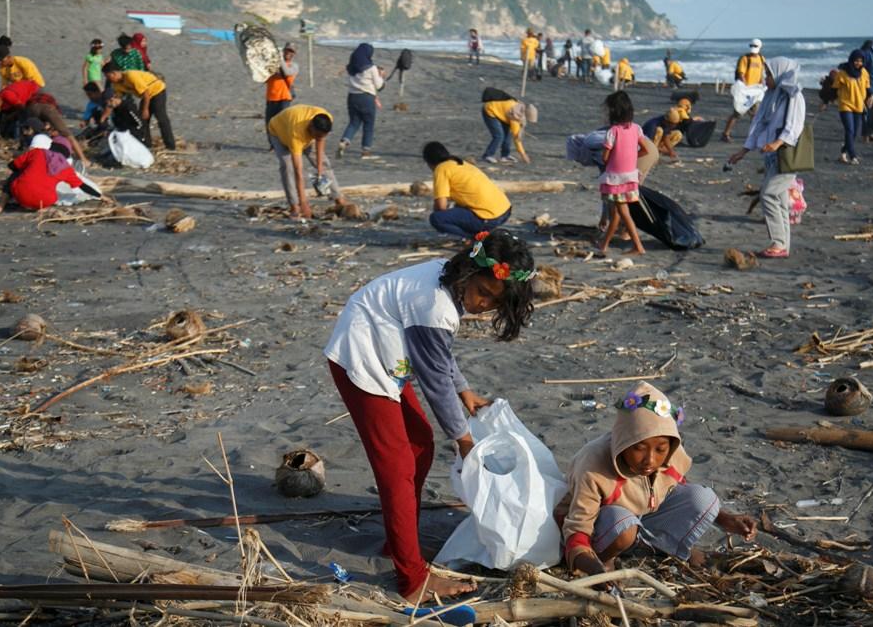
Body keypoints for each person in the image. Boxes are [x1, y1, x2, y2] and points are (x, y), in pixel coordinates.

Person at [323, 230, 536, 603]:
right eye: (483, 293)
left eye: (494, 301)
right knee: (397, 468)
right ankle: (412, 578)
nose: (484, 304)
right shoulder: (434, 305)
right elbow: (435, 380)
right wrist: (464, 440)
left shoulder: (448, 286)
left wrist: (464, 389)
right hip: (361, 358)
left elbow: (439, 354)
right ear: (468, 273)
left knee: (420, 445)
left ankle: (399, 541)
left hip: (389, 356)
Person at [557, 382, 757, 578]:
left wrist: (725, 519)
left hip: (644, 520)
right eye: (639, 448)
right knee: (625, 527)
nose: (650, 460)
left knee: (704, 498)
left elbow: (675, 487)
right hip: (608, 527)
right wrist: (590, 566)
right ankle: (605, 558)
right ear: (623, 440)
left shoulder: (671, 452)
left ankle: (664, 547)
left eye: (660, 449)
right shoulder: (593, 464)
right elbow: (577, 528)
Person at [726, 57, 807, 259]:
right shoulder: (771, 95)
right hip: (772, 155)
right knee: (778, 198)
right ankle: (782, 245)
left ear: (780, 74)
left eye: (769, 74)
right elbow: (759, 124)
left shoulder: (793, 96)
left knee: (768, 194)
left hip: (788, 154)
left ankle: (779, 243)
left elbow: (794, 125)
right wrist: (743, 151)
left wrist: (779, 142)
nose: (765, 78)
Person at [267, 104, 346, 219]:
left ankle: (339, 199)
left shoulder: (325, 118)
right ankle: (294, 205)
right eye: (317, 135)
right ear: (311, 126)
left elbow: (320, 140)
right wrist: (304, 203)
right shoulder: (296, 135)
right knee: (287, 167)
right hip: (279, 132)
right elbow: (298, 171)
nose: (319, 138)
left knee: (324, 164)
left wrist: (319, 169)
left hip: (303, 133)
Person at [597, 91, 649, 255]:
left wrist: (612, 160)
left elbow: (605, 156)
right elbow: (645, 149)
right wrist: (631, 158)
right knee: (618, 213)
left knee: (622, 214)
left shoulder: (613, 131)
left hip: (615, 179)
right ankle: (603, 244)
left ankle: (637, 246)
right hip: (630, 176)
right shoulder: (636, 129)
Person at [424, 141, 511, 238]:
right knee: (457, 209)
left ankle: (471, 239)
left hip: (489, 217)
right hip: (504, 210)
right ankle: (482, 233)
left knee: (437, 219)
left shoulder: (441, 169)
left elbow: (441, 206)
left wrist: (442, 214)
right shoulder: (459, 163)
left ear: (429, 162)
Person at [0, 133, 102, 212]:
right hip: (44, 201)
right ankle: (38, 207)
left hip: (20, 195)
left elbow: (12, 166)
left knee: (16, 174)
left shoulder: (37, 153)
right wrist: (100, 196)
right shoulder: (66, 167)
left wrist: (26, 168)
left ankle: (0, 206)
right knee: (51, 190)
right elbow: (82, 186)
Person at [103, 61, 175, 151]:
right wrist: (105, 115)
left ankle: (170, 146)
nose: (109, 80)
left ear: (114, 73)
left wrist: (145, 109)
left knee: (161, 117)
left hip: (157, 91)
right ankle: (147, 144)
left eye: (108, 77)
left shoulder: (131, 76)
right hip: (146, 96)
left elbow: (146, 93)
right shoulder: (116, 85)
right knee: (142, 120)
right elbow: (117, 100)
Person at [335, 43, 385, 159]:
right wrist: (381, 76)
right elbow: (378, 86)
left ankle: (344, 141)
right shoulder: (371, 68)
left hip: (352, 96)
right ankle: (365, 151)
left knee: (353, 122)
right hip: (367, 97)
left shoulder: (351, 67)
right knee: (368, 124)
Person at [721, 38, 766, 142]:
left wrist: (762, 84)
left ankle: (755, 134)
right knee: (737, 113)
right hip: (745, 91)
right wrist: (745, 86)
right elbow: (741, 73)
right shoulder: (745, 58)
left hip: (755, 91)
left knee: (755, 115)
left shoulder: (761, 59)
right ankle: (725, 133)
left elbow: (761, 73)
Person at [831, 49, 869, 165]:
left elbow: (867, 87)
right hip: (845, 105)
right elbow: (834, 88)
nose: (858, 63)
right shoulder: (843, 73)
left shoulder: (864, 73)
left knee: (854, 133)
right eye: (856, 61)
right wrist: (827, 101)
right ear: (851, 60)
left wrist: (870, 96)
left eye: (860, 61)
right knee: (849, 130)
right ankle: (853, 156)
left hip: (858, 105)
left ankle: (843, 151)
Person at [481, 93, 533, 165]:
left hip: (502, 113)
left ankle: (505, 156)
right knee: (499, 136)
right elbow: (517, 138)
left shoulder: (520, 107)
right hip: (490, 111)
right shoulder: (515, 116)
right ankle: (487, 155)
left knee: (508, 135)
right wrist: (523, 154)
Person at [265, 42, 299, 145]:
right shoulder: (273, 64)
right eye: (287, 50)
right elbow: (263, 77)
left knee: (283, 123)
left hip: (284, 98)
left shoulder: (294, 66)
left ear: (294, 54)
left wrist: (279, 59)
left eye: (291, 51)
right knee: (269, 123)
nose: (289, 53)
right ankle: (272, 144)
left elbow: (287, 72)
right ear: (284, 51)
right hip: (271, 97)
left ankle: (283, 143)